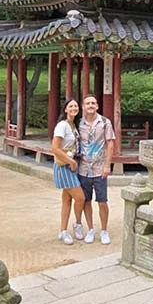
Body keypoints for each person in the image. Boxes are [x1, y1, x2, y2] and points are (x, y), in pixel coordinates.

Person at [76, 94, 116, 245]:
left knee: (102, 201)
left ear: (97, 106)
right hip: (83, 168)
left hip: (100, 168)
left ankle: (104, 230)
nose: (90, 105)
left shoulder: (105, 122)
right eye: (87, 103)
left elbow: (110, 143)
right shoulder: (79, 123)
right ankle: (90, 229)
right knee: (86, 201)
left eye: (93, 103)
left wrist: (107, 165)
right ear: (83, 106)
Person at [51, 99, 87, 245]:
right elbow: (55, 148)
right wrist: (71, 161)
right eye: (70, 106)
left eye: (76, 106)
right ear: (65, 109)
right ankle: (77, 224)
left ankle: (63, 231)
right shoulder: (62, 125)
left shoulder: (74, 125)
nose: (74, 108)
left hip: (71, 165)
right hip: (64, 166)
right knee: (80, 197)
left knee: (67, 200)